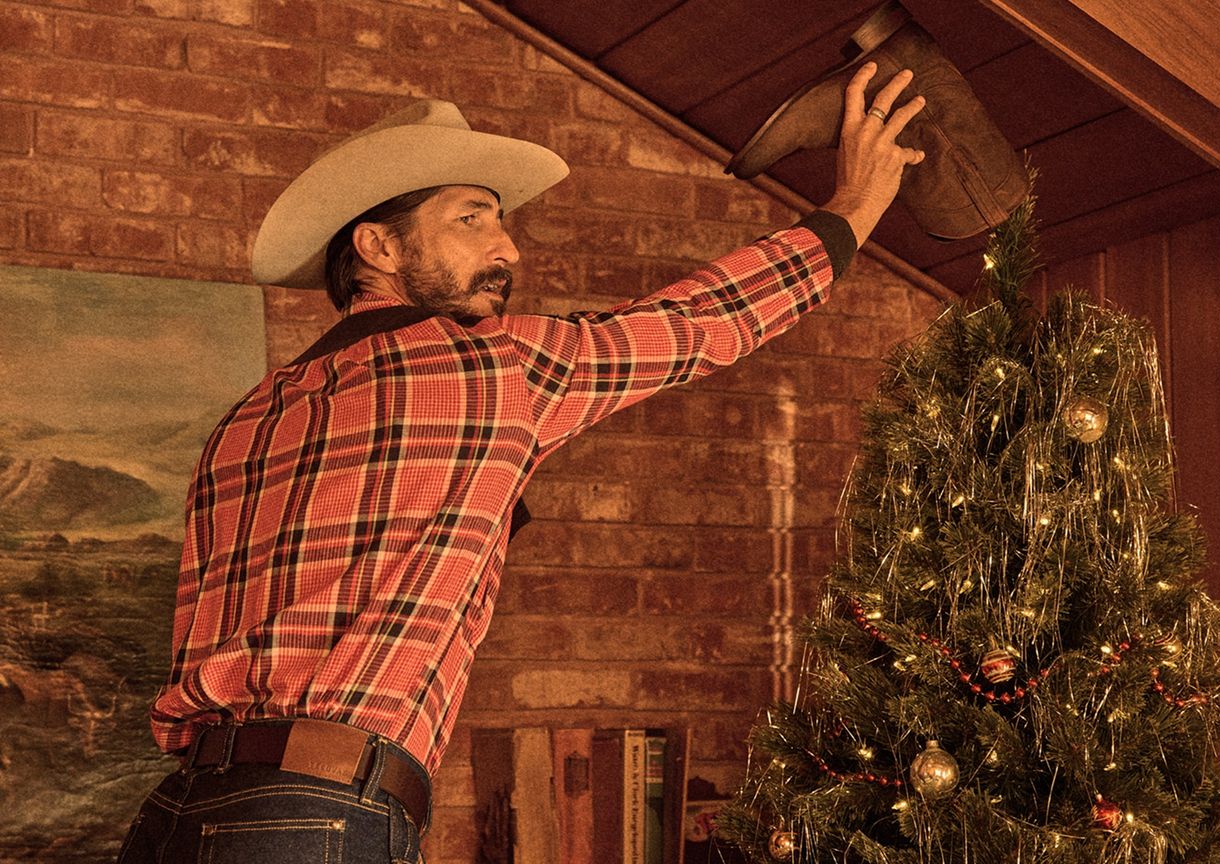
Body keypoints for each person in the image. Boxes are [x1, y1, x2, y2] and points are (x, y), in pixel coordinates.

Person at [114, 61, 925, 864]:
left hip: (182, 809)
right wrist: (854, 206)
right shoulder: (483, 366)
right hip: (314, 814)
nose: (506, 248)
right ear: (378, 244)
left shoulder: (249, 418)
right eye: (472, 218)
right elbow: (702, 322)